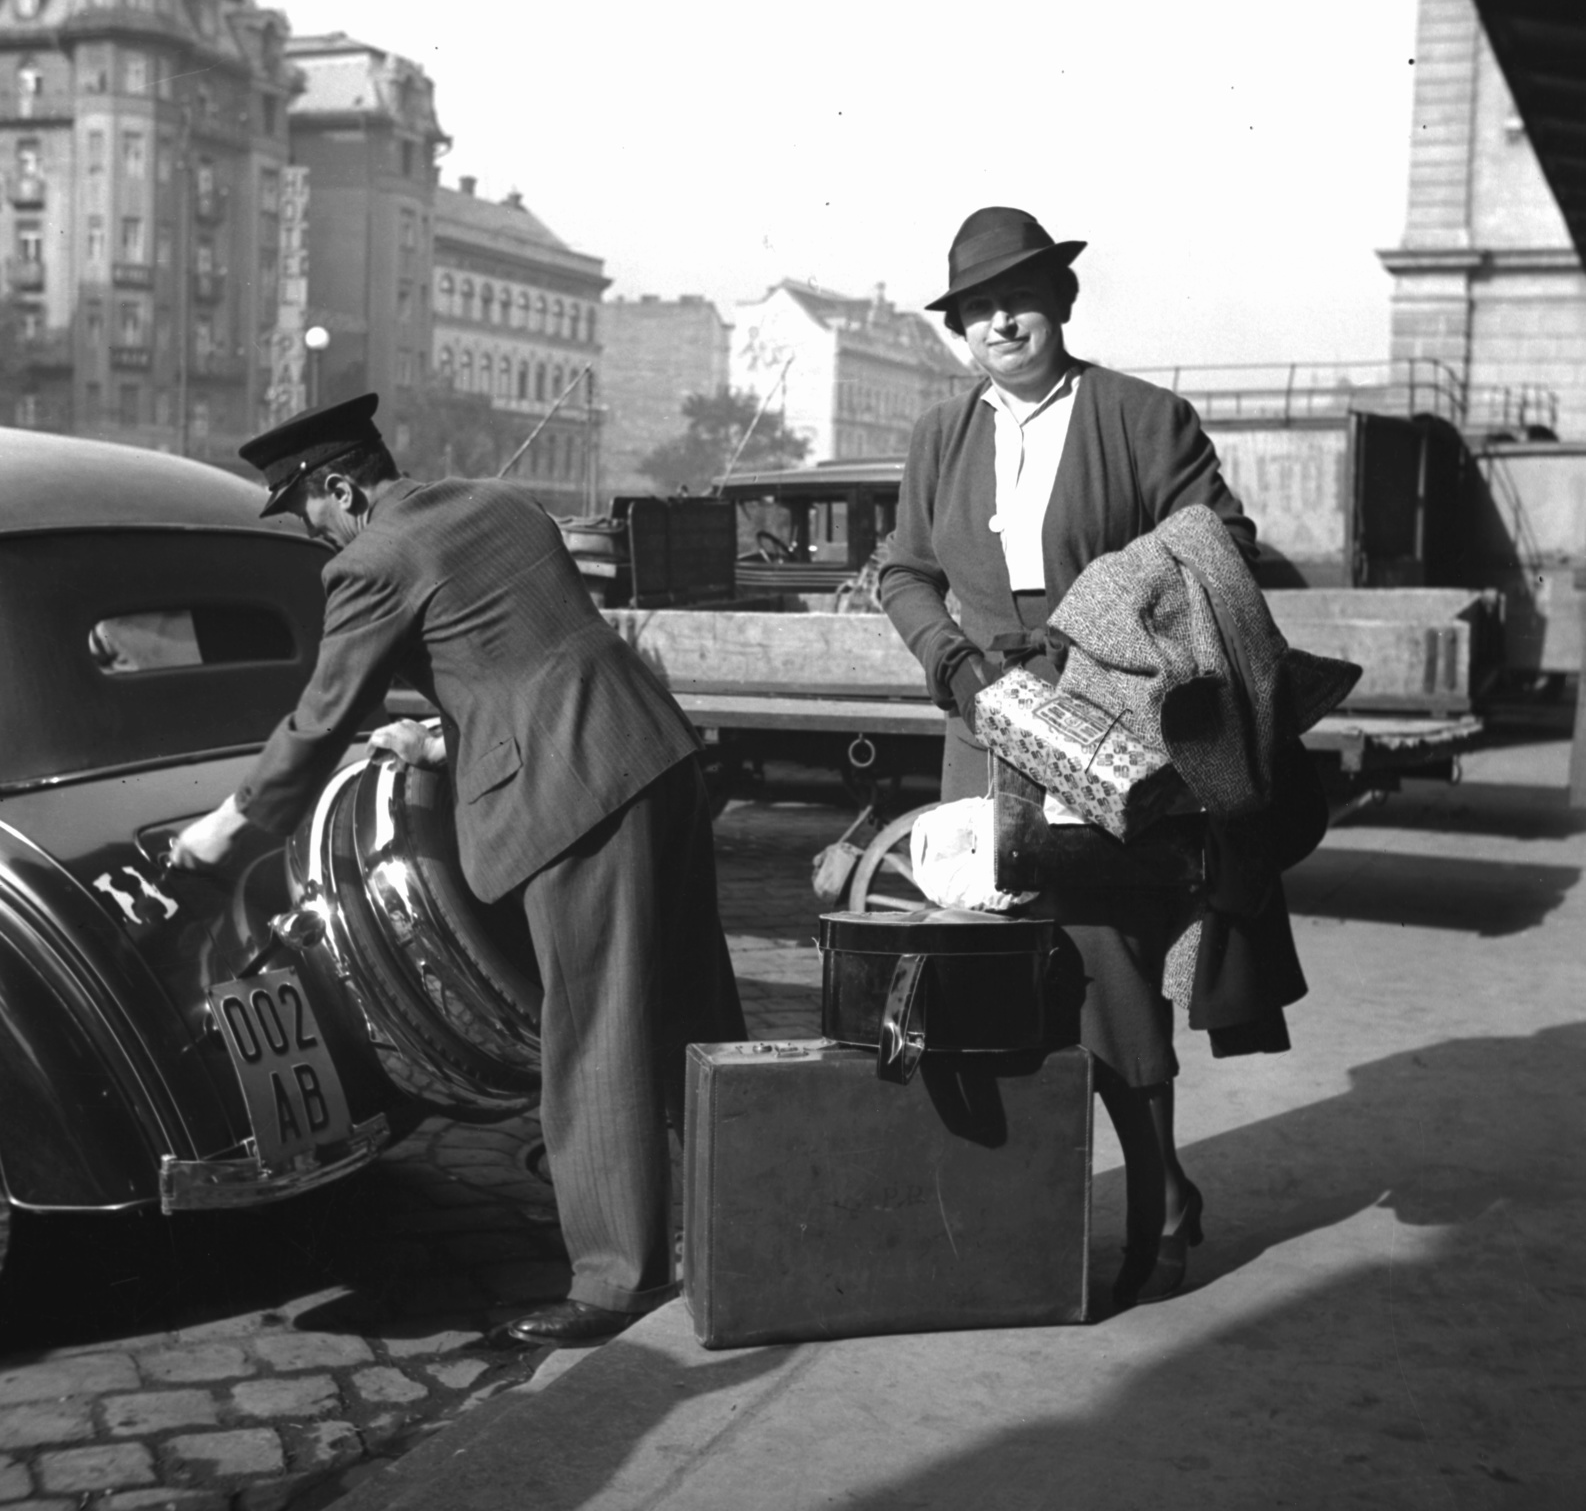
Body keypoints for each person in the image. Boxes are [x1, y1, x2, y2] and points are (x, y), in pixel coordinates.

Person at [171, 393, 746, 1344]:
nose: (314, 535)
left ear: (341, 488)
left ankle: (616, 1283)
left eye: (307, 512)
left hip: (573, 791)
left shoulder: (370, 560)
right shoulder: (501, 503)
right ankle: (749, 1226)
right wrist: (445, 737)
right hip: (654, 753)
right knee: (693, 1006)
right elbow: (527, 651)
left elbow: (321, 720)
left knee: (592, 1027)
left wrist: (232, 826)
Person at [880, 207, 1263, 1309]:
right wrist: (948, 659)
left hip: (1104, 730)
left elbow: (1217, 551)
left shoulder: (1144, 419)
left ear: (1060, 303)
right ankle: (1025, 1212)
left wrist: (1089, 624)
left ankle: (1161, 1202)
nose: (999, 319)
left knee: (1109, 972)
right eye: (975, 308)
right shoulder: (937, 437)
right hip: (982, 730)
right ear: (959, 329)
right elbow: (901, 569)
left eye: (1021, 296)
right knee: (993, 967)